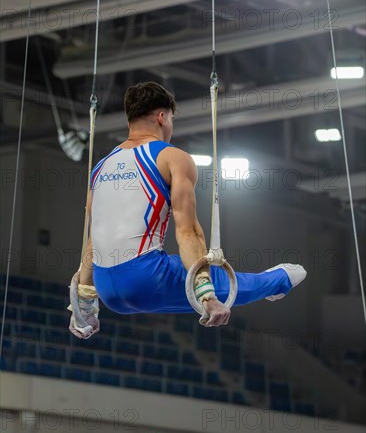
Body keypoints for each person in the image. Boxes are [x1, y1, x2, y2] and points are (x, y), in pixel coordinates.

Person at [69, 82, 306, 337]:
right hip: (145, 279)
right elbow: (188, 232)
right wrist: (206, 295)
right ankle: (278, 281)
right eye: (171, 119)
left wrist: (84, 305)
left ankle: (273, 283)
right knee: (221, 281)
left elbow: (93, 241)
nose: (170, 126)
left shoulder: (100, 168)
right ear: (162, 117)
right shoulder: (171, 157)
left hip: (108, 292)